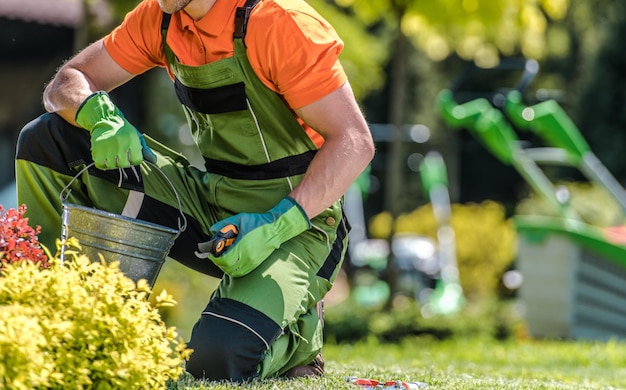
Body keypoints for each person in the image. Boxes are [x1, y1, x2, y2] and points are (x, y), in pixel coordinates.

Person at [14, 0, 375, 382]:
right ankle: (56, 315)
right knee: (47, 140)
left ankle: (300, 340)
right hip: (212, 205)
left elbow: (355, 140)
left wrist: (275, 225)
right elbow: (67, 81)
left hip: (301, 224)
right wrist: (98, 114)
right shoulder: (160, 17)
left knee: (216, 360)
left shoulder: (280, 23)